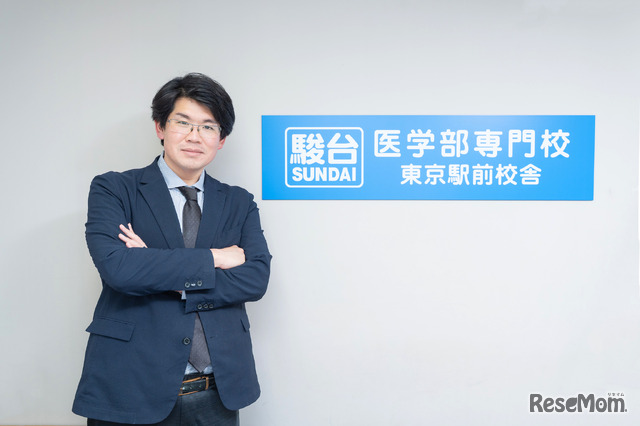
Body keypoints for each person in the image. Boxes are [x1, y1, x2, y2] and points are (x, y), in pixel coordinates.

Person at [73, 73, 271, 426]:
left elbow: (255, 279)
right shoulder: (115, 189)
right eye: (183, 122)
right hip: (130, 386)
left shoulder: (239, 202)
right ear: (160, 127)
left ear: (221, 139)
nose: (195, 136)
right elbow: (120, 269)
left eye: (208, 127)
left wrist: (154, 265)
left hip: (216, 392)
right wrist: (216, 258)